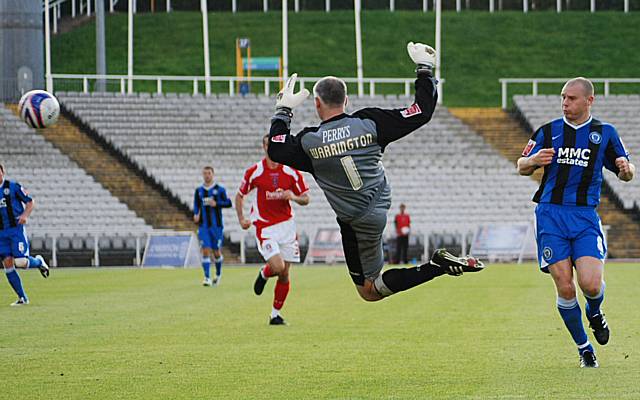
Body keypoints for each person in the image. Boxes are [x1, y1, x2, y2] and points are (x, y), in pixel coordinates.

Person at [266, 42, 485, 304]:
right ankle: (436, 266)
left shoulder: (309, 142)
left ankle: (436, 267)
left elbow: (276, 149)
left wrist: (283, 110)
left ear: (316, 103)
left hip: (356, 221)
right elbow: (421, 112)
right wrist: (424, 69)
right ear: (346, 101)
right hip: (379, 204)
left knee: (369, 291)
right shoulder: (369, 122)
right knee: (372, 284)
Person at [517, 77, 635, 368]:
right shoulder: (548, 131)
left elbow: (627, 171)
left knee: (591, 285)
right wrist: (533, 161)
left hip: (584, 216)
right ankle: (584, 348)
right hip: (550, 214)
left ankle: (595, 312)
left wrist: (625, 168)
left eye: (571, 98)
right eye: (563, 98)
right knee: (566, 287)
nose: (565, 103)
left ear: (588, 101)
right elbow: (521, 165)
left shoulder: (604, 133)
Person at [235, 135, 310, 325]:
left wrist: (292, 196)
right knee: (278, 267)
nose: (272, 149)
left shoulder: (291, 172)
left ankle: (275, 314)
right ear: (264, 147)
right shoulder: (255, 172)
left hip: (287, 227)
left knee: (285, 274)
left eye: (275, 145)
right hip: (265, 226)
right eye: (269, 145)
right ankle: (265, 272)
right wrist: (242, 218)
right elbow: (240, 195)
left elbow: (306, 198)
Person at [0, 163, 49, 306]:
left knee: (20, 262)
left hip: (16, 230)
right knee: (8, 264)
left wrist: (25, 215)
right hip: (1, 234)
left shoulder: (13, 187)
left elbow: (30, 201)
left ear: (3, 172)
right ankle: (22, 298)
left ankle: (39, 262)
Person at [193, 166, 232, 286]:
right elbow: (196, 204)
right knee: (205, 250)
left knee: (216, 252)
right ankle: (207, 277)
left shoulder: (219, 190)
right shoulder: (199, 190)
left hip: (217, 226)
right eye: (204, 173)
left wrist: (217, 204)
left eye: (209, 173)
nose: (206, 175)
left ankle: (218, 274)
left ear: (213, 174)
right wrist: (196, 213)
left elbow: (229, 203)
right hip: (204, 226)